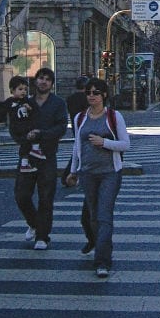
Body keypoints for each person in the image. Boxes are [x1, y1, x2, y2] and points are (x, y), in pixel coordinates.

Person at [66, 77, 130, 278]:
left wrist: (104, 143)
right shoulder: (79, 118)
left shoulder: (113, 116)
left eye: (96, 92)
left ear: (104, 95)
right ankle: (100, 246)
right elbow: (77, 146)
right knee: (93, 217)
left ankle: (102, 260)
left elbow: (125, 144)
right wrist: (73, 171)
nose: (91, 96)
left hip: (110, 172)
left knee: (104, 216)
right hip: (87, 173)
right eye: (88, 92)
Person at [12, 66, 68, 250]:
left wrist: (41, 134)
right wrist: (23, 138)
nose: (43, 81)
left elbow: (60, 128)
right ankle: (34, 223)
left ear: (51, 84)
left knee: (46, 197)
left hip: (47, 156)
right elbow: (15, 127)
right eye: (40, 78)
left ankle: (43, 236)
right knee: (21, 195)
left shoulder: (58, 103)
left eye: (47, 79)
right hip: (27, 155)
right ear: (35, 81)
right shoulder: (25, 102)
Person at [64, 75, 95, 253]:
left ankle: (98, 244)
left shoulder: (70, 99)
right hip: (85, 135)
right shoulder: (85, 104)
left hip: (78, 131)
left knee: (77, 151)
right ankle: (95, 241)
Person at [5, 75, 47, 173]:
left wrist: (30, 109)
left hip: (26, 127)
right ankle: (32, 154)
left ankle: (25, 163)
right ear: (12, 90)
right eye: (20, 89)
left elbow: (36, 113)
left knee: (29, 140)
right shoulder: (9, 102)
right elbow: (1, 112)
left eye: (25, 89)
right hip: (16, 128)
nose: (23, 91)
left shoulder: (27, 101)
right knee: (26, 142)